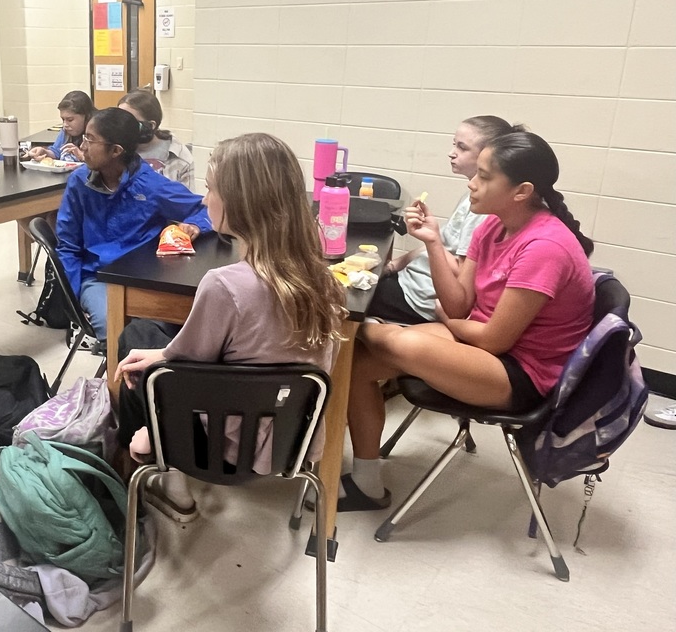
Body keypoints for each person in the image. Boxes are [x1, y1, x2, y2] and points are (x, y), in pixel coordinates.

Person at [342, 131, 596, 511]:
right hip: (481, 342)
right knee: (356, 363)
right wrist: (432, 242)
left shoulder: (544, 247)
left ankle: (351, 328)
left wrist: (447, 322)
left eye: (484, 176)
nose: (472, 184)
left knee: (392, 341)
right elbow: (458, 307)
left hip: (521, 372)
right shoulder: (492, 226)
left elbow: (493, 340)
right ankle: (367, 484)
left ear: (522, 191)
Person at [115, 133, 347, 522]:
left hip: (218, 452)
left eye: (210, 190)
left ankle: (171, 481)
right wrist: (161, 355)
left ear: (241, 202)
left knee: (137, 337)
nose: (205, 201)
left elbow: (183, 370)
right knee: (151, 346)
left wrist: (154, 432)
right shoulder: (328, 284)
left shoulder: (224, 285)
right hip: (291, 444)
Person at [56, 107, 211, 344]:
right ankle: (117, 375)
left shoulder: (150, 186)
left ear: (116, 151)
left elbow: (204, 208)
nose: (82, 146)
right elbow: (67, 245)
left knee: (169, 330)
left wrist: (196, 226)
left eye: (90, 139)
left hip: (145, 279)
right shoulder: (79, 182)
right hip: (97, 279)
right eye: (84, 137)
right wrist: (74, 293)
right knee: (118, 336)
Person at [369, 116, 519, 324]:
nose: (452, 153)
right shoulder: (470, 196)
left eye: (462, 147)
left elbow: (459, 268)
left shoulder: (485, 210)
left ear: (488, 156)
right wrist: (393, 266)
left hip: (419, 300)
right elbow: (443, 245)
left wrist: (433, 240)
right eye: (454, 144)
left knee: (338, 298)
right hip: (410, 282)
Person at [118, 89, 195, 188]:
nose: (123, 127)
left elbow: (187, 198)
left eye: (130, 122)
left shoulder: (179, 156)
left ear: (151, 125)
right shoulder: (116, 151)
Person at [27, 90, 95, 163]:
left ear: (86, 116)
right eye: (63, 119)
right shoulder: (66, 131)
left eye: (70, 120)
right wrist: (44, 152)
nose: (65, 125)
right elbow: (57, 152)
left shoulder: (97, 132)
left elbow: (105, 162)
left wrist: (82, 156)